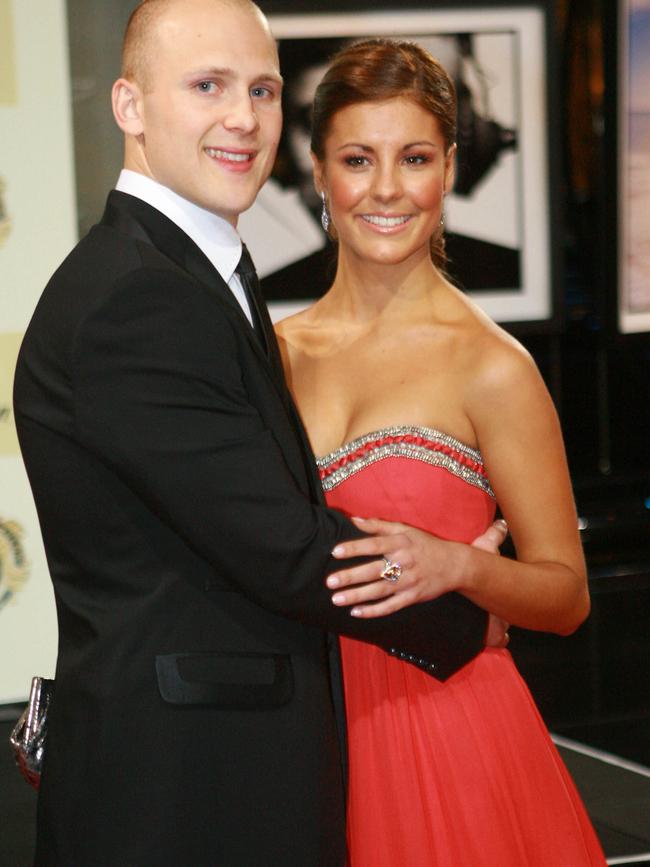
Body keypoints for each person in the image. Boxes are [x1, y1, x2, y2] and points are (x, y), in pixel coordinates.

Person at [13, 4, 507, 865]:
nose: (244, 117)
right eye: (207, 86)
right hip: (188, 795)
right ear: (129, 105)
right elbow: (280, 544)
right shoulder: (138, 297)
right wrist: (465, 612)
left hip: (222, 775)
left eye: (263, 89)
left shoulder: (196, 271)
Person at [276, 39, 607, 867]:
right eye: (358, 158)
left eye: (414, 157)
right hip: (304, 746)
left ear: (449, 169)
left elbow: (565, 594)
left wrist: (457, 568)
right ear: (317, 171)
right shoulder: (270, 353)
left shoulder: (492, 364)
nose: (386, 188)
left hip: (450, 739)